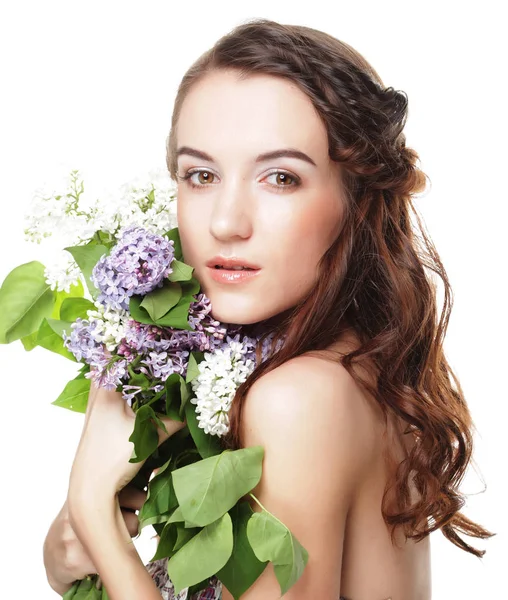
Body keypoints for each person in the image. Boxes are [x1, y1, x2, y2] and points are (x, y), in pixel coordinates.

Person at [43, 17, 495, 600]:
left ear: (353, 199)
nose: (226, 223)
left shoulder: (298, 400)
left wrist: (91, 510)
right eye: (201, 175)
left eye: (280, 178)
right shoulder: (349, 369)